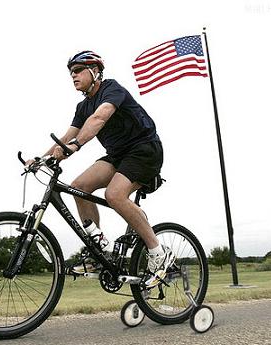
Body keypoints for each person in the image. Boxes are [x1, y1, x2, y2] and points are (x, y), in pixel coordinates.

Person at [27, 51, 175, 288]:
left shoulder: (111, 89)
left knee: (114, 194)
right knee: (78, 187)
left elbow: (99, 118)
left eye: (77, 70)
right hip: (118, 155)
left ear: (95, 72)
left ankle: (158, 252)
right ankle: (98, 251)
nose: (72, 75)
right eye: (70, 72)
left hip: (144, 149)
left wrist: (75, 146)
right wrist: (40, 159)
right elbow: (67, 136)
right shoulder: (82, 106)